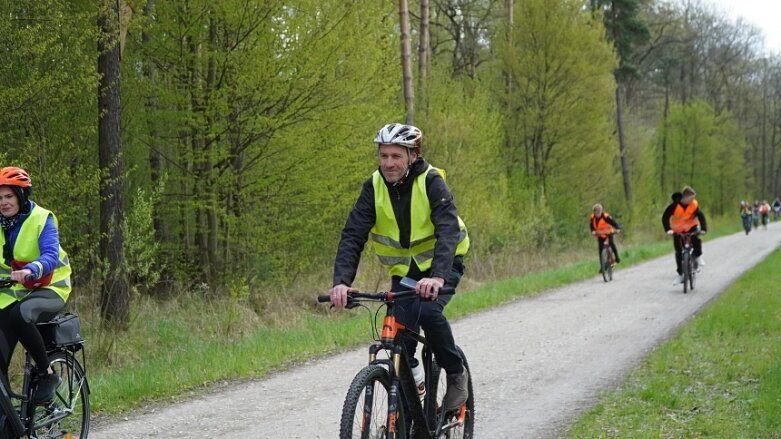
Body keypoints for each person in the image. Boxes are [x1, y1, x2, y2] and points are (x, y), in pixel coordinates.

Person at [329, 123, 470, 411]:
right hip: (405, 274)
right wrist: (342, 281)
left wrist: (438, 277)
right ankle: (415, 403)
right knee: (399, 342)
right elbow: (353, 233)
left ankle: (456, 374)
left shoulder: (431, 181)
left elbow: (447, 230)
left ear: (413, 155)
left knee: (428, 312)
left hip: (442, 265)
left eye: (396, 156)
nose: (389, 163)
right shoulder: (374, 187)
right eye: (383, 156)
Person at [0, 167, 71, 403]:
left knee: (21, 316)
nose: (4, 202)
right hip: (12, 293)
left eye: (8, 196)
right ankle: (7, 424)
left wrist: (31, 269)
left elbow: (51, 255)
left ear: (21, 196)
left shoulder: (42, 218)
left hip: (50, 288)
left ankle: (46, 373)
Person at [661, 186, 707, 285]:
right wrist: (668, 229)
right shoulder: (674, 206)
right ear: (685, 197)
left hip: (691, 227)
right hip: (678, 231)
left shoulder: (694, 205)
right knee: (678, 252)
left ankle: (698, 256)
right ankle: (681, 274)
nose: (693, 200)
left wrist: (703, 229)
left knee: (695, 239)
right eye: (691, 198)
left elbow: (701, 216)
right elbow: (665, 217)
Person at [590, 203, 621, 272]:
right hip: (600, 235)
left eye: (599, 211)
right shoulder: (592, 218)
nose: (598, 213)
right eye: (596, 211)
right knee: (600, 250)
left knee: (612, 244)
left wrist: (618, 228)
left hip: (608, 233)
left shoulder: (605, 216)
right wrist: (592, 231)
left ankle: (617, 257)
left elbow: (613, 222)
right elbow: (591, 226)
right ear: (594, 212)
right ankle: (603, 266)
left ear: (601, 211)